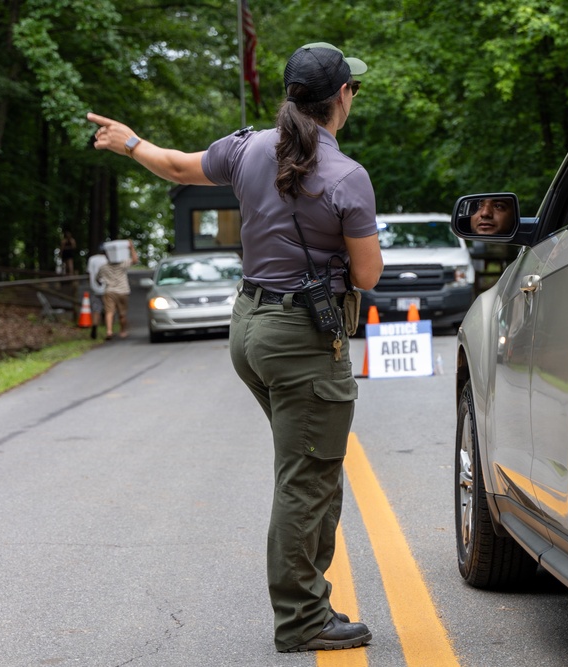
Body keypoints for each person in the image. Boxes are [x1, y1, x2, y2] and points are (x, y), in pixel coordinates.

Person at [86, 41, 383, 654]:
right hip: (302, 340)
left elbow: (174, 167)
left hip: (249, 328)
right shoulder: (347, 177)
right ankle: (302, 620)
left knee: (306, 469)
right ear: (342, 98)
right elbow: (370, 275)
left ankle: (309, 600)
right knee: (307, 479)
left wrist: (130, 142)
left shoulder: (245, 149)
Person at [95, 239, 138, 339]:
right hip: (123, 291)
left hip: (109, 291)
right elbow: (135, 260)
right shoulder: (123, 264)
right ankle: (122, 331)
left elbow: (97, 279)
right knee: (122, 313)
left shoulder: (103, 267)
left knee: (109, 312)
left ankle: (109, 331)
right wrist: (131, 248)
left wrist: (100, 283)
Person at [86, 244, 108, 340]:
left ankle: (94, 327)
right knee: (108, 309)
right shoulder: (108, 260)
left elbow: (90, 272)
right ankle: (108, 329)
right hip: (107, 288)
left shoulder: (92, 259)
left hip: (95, 288)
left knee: (96, 309)